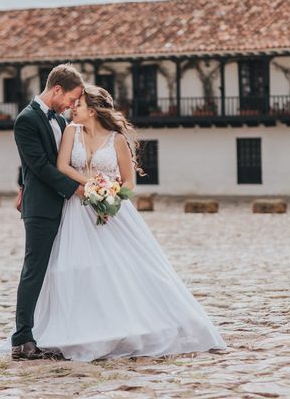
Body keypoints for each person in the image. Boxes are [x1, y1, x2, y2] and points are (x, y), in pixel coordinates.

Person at [21, 84, 226, 361]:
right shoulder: (70, 130)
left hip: (113, 209)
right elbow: (63, 167)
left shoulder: (116, 139)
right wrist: (93, 185)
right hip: (77, 209)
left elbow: (130, 182)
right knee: (75, 267)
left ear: (92, 111)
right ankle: (79, 328)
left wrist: (110, 192)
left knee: (126, 267)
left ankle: (128, 325)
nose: (72, 108)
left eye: (78, 104)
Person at [10, 64, 85, 360]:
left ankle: (57, 329)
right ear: (57, 90)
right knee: (35, 270)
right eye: (71, 99)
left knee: (62, 269)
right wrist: (75, 189)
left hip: (65, 206)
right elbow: (38, 166)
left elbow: (60, 162)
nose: (72, 105)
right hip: (41, 208)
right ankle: (23, 338)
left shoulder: (62, 122)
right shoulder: (26, 120)